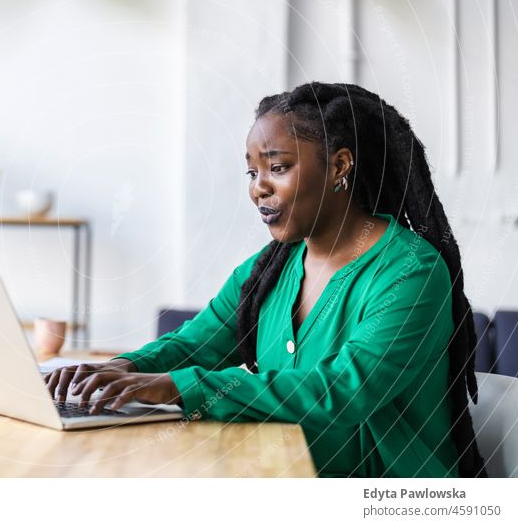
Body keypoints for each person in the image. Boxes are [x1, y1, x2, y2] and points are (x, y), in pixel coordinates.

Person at [43, 82, 487, 478]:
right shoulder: (270, 269)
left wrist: (182, 386)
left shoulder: (411, 271)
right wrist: (122, 368)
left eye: (277, 167)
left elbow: (344, 389)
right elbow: (195, 342)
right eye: (252, 172)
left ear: (339, 166)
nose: (259, 187)